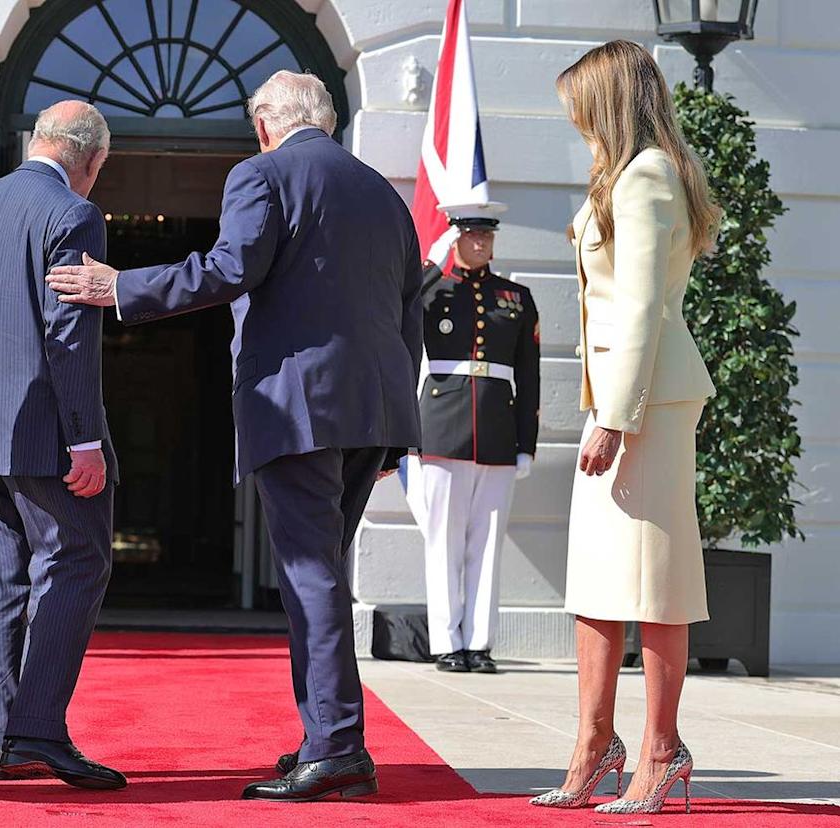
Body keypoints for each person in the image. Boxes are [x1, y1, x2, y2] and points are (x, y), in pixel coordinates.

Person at [47, 70, 423, 802]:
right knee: (319, 573)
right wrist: (394, 433)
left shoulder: (262, 172)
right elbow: (408, 309)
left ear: (263, 125)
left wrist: (119, 287)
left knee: (310, 576)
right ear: (326, 118)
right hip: (371, 411)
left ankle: (339, 747)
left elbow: (229, 269)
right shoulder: (383, 191)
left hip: (299, 406)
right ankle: (327, 737)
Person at [530, 40, 719, 815]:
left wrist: (614, 419)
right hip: (624, 399)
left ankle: (659, 751)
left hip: (644, 406)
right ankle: (593, 746)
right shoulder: (627, 174)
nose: (573, 118)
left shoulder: (645, 177)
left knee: (654, 586)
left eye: (579, 103)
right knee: (600, 585)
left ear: (607, 99)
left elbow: (641, 307)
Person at [0, 101, 126, 791]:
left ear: (34, 142)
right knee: (78, 560)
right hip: (45, 433)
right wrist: (85, 439)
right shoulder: (74, 213)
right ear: (94, 160)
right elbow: (67, 334)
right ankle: (37, 730)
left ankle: (4, 739)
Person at [407, 202, 540, 675]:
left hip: (499, 432)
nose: (481, 243)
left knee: (487, 544)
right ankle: (447, 641)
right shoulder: (433, 291)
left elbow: (529, 375)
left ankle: (479, 643)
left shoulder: (516, 298)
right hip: (443, 425)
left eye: (487, 236)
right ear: (455, 238)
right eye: (471, 235)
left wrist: (527, 442)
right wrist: (430, 264)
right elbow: (398, 303)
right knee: (443, 541)